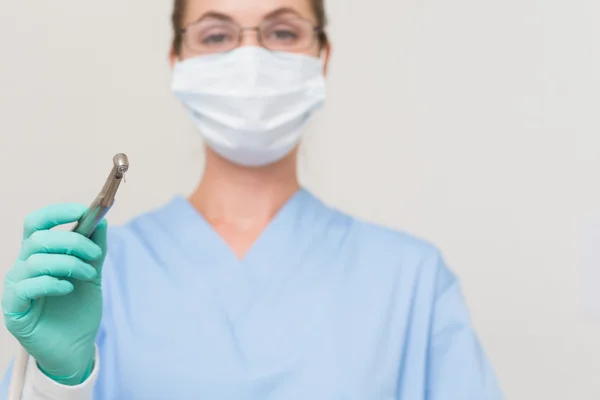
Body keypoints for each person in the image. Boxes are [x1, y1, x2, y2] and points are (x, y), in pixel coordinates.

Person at [1, 0, 503, 398]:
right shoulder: (102, 274)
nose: (251, 60)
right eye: (216, 35)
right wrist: (55, 382)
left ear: (322, 57)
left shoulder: (412, 283)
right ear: (178, 61)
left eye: (282, 32)